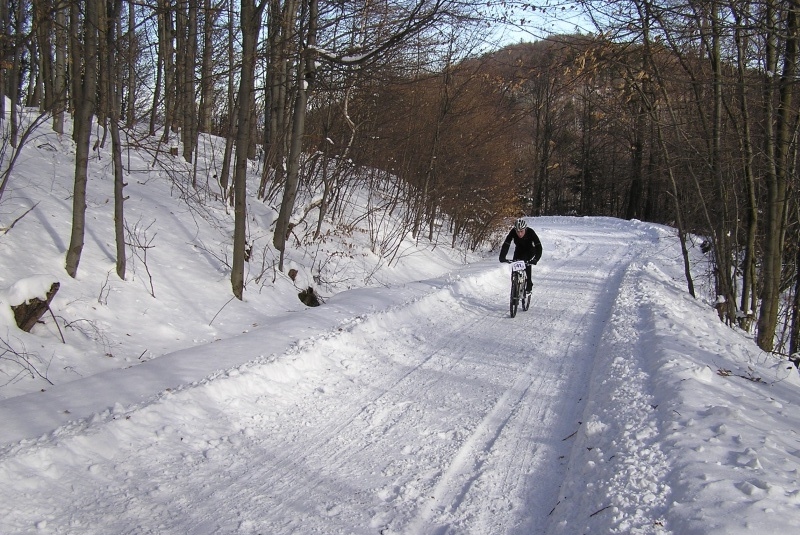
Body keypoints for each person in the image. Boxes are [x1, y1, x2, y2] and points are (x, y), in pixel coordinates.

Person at [499, 218, 543, 293]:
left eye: (521, 231)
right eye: (517, 232)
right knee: (515, 264)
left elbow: (539, 247)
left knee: (526, 263)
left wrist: (536, 259)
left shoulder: (531, 232)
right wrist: (502, 257)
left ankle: (529, 283)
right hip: (519, 249)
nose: (519, 234)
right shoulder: (513, 232)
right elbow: (506, 244)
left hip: (530, 250)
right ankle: (515, 285)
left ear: (525, 229)